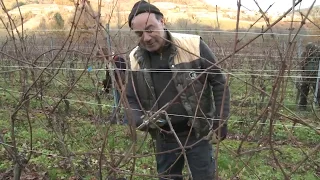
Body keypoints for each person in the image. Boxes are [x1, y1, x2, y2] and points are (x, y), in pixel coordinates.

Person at [125, 1, 230, 179]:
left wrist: (220, 122)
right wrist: (139, 120)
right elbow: (129, 97)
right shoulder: (135, 59)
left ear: (162, 21)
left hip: (198, 135)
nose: (146, 38)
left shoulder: (193, 46)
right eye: (139, 33)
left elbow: (218, 81)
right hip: (163, 137)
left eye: (150, 29)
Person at [298, 42, 320, 110]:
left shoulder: (317, 55)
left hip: (316, 76)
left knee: (318, 91)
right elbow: (301, 65)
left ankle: (318, 105)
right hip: (306, 75)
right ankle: (302, 106)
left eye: (312, 49)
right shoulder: (304, 55)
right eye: (309, 49)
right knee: (303, 91)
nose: (310, 51)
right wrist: (303, 74)